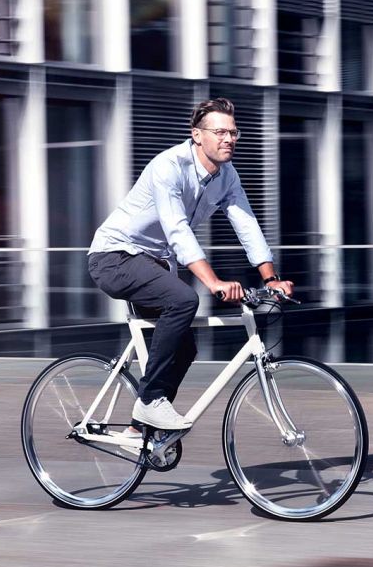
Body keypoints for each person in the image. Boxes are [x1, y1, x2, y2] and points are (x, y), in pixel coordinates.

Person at [87, 97, 293, 435]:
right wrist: (213, 282)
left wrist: (271, 278)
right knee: (183, 300)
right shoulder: (168, 167)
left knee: (184, 348)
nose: (229, 139)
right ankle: (150, 400)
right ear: (197, 135)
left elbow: (246, 223)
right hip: (114, 256)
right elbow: (177, 229)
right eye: (220, 132)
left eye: (233, 132)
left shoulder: (226, 176)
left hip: (154, 264)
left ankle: (141, 430)